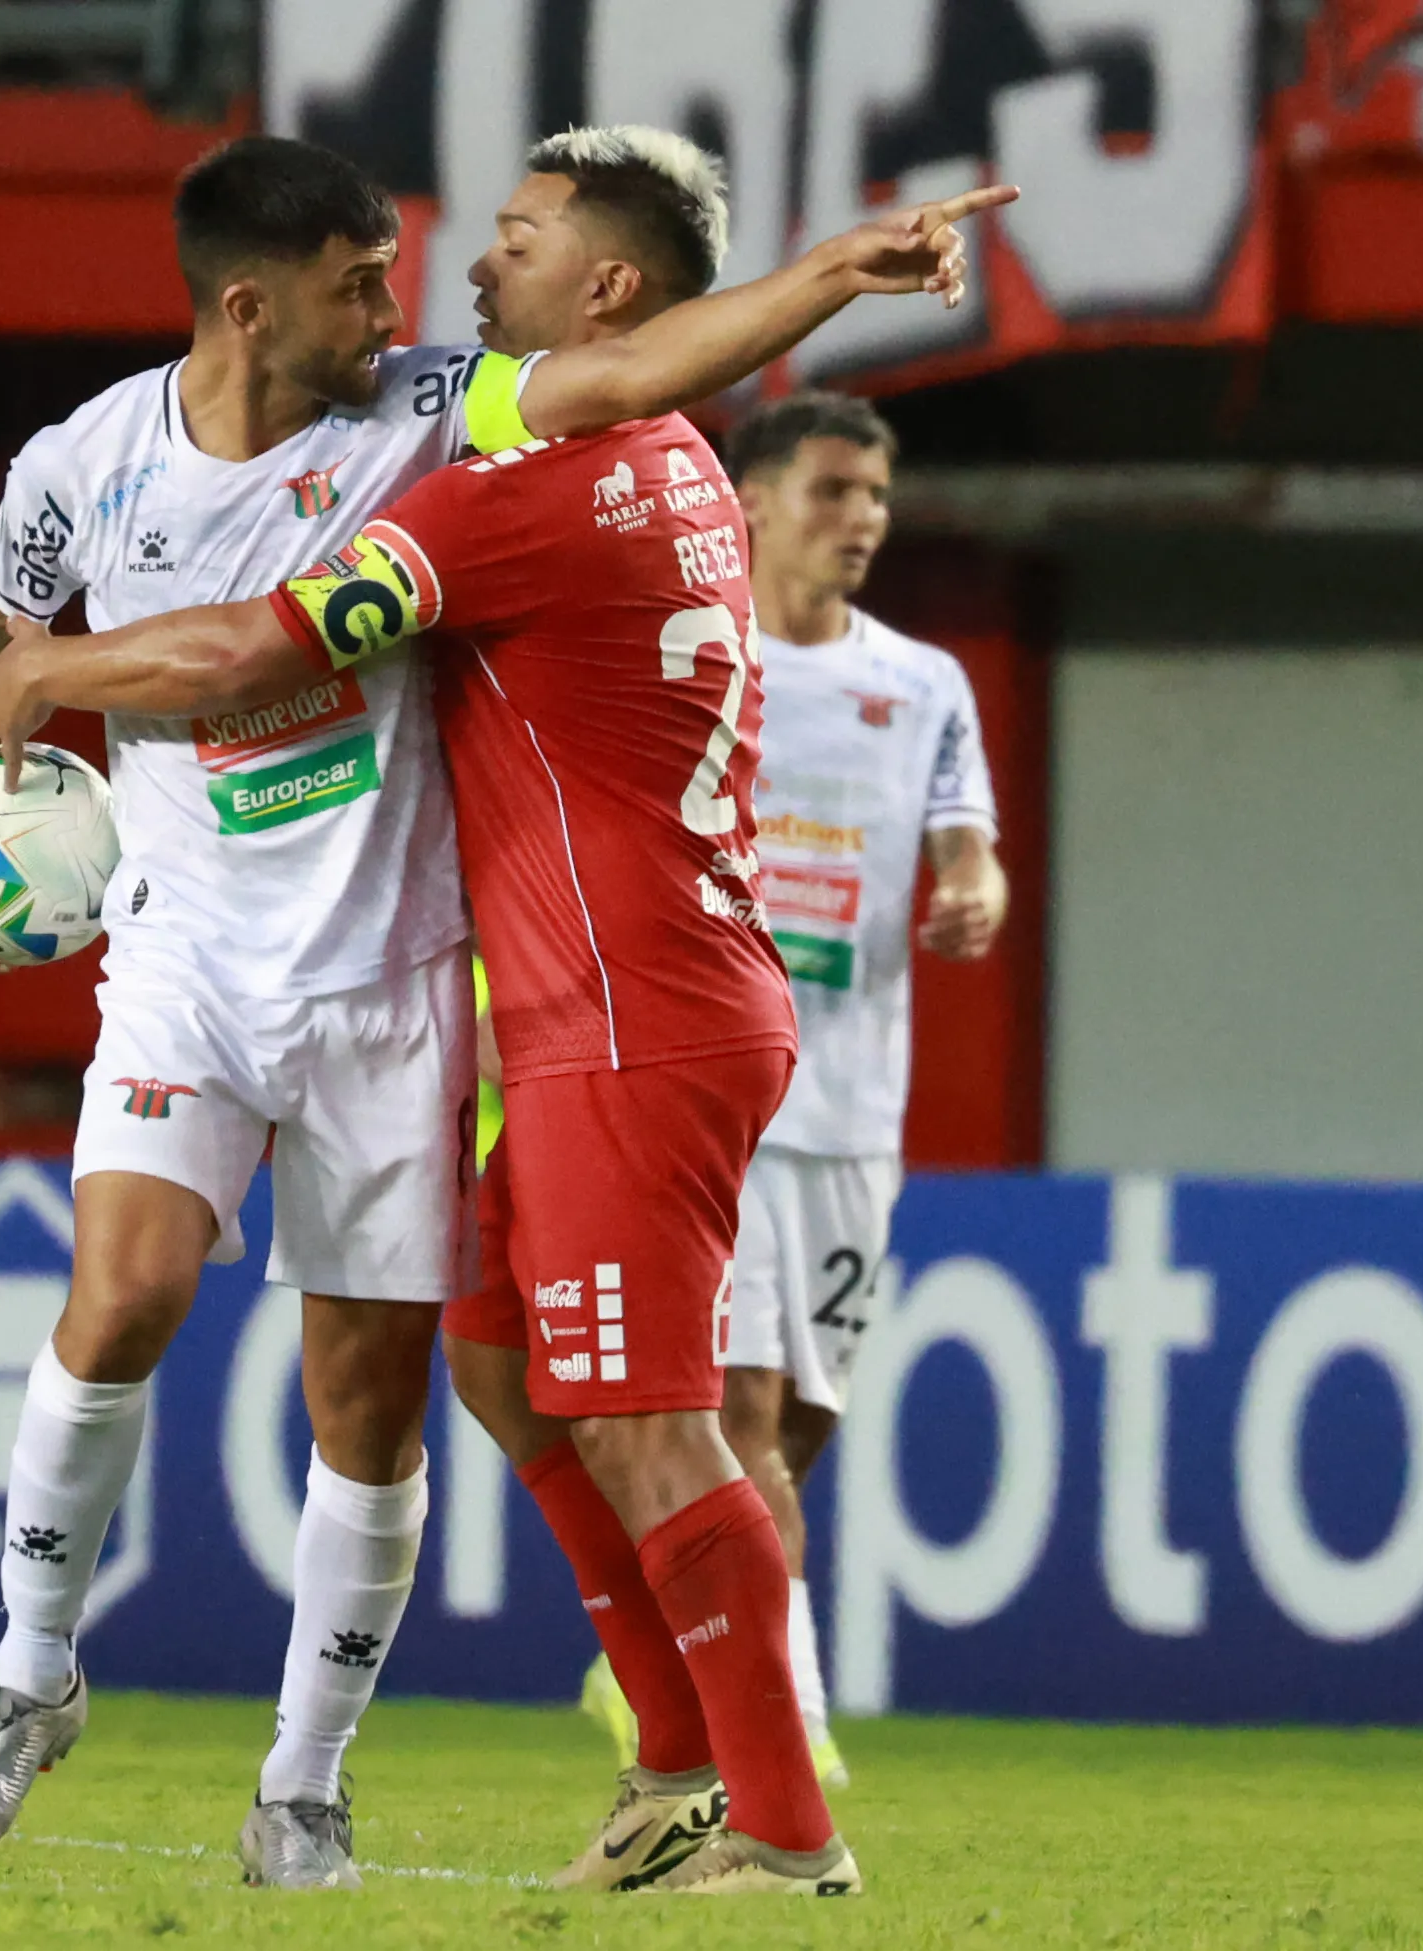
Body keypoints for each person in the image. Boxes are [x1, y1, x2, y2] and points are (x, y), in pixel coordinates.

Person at [0, 134, 989, 1890]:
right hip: (227, 962)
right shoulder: (88, 464)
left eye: (471, 251)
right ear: (247, 302)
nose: (424, 294)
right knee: (315, 1326)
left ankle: (363, 1789)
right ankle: (29, 1682)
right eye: (362, 277)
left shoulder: (461, 442)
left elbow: (270, 631)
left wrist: (836, 276)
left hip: (444, 981)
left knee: (455, 1400)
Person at [578, 391, 1010, 1791]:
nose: (861, 519)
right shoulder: (691, 656)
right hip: (716, 1095)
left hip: (853, 1106)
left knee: (799, 1427)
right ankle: (790, 1739)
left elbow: (969, 848)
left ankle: (663, 1643)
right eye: (831, 491)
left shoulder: (924, 683)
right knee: (744, 1413)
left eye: (875, 496)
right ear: (751, 504)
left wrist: (972, 890)